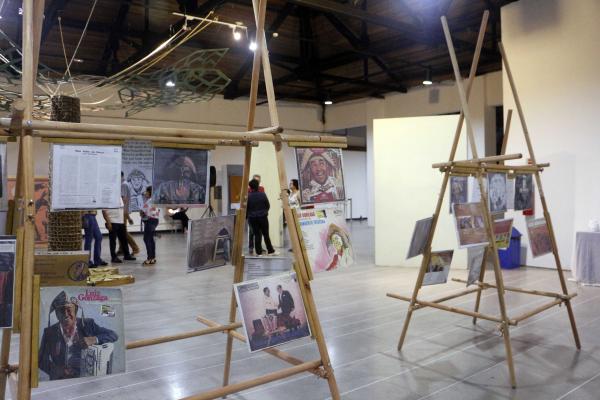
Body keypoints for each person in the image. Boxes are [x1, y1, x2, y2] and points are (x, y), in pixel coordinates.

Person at [38, 291, 119, 381]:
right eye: (61, 310)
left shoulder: (88, 324)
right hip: (59, 381)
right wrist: (57, 370)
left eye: (69, 309)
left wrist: (94, 339)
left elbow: (113, 335)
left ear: (75, 311)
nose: (65, 314)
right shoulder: (49, 332)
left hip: (86, 380)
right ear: (57, 314)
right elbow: (40, 359)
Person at [247, 179, 278, 256]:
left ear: (250, 187)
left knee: (257, 235)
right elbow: (268, 205)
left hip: (253, 218)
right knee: (266, 234)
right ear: (258, 186)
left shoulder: (248, 196)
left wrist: (249, 215)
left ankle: (259, 252)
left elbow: (247, 208)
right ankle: (270, 251)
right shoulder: (262, 194)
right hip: (263, 217)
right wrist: (264, 212)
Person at [102, 198, 136, 264]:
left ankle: (127, 255)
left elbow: (123, 209)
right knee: (113, 241)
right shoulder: (107, 198)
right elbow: (104, 211)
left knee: (124, 239)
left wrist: (128, 218)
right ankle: (113, 257)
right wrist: (108, 222)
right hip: (112, 221)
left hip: (121, 221)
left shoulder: (120, 198)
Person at [118, 172, 140, 257]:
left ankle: (135, 248)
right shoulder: (125, 184)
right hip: (124, 211)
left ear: (121, 176)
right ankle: (121, 249)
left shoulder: (123, 185)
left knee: (123, 232)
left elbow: (124, 199)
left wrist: (126, 214)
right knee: (121, 231)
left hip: (123, 212)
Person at [141, 186, 159, 266]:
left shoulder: (149, 201)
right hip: (155, 220)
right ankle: (153, 258)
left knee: (146, 239)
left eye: (146, 192)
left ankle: (149, 258)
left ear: (149, 192)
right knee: (151, 239)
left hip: (150, 220)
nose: (145, 193)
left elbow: (142, 211)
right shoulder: (156, 200)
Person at [248, 174, 265, 255]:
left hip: (260, 214)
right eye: (255, 180)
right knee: (252, 231)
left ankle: (259, 247)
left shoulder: (262, 189)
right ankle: (251, 247)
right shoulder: (248, 189)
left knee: (260, 231)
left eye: (258, 181)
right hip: (251, 214)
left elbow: (263, 200)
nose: (257, 182)